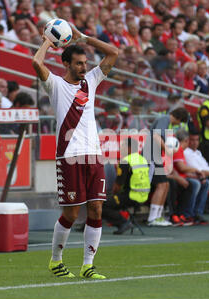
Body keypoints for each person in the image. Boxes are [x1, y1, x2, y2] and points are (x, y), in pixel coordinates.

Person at [32, 24, 118, 279]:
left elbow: (113, 52)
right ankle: (56, 261)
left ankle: (88, 265)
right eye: (79, 63)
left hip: (93, 154)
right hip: (69, 155)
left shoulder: (91, 80)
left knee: (96, 210)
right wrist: (49, 40)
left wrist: (86, 38)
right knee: (71, 213)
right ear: (67, 64)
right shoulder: (56, 85)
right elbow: (36, 63)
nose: (84, 67)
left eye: (85, 63)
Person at [141, 107, 190, 227]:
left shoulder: (165, 121)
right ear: (178, 118)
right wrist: (167, 149)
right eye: (180, 122)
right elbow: (156, 136)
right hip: (150, 157)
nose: (178, 124)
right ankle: (153, 218)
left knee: (165, 184)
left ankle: (157, 216)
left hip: (154, 156)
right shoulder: (165, 119)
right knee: (162, 185)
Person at [102, 138, 150, 235]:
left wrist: (110, 195)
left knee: (102, 203)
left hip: (131, 196)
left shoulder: (125, 161)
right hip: (144, 196)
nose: (121, 149)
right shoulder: (143, 159)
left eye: (122, 147)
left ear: (129, 148)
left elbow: (117, 186)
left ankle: (123, 223)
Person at [171, 129, 209, 225]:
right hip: (174, 178)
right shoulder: (178, 149)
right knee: (195, 183)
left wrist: (195, 174)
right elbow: (181, 168)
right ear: (186, 141)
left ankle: (197, 213)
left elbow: (182, 171)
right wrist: (196, 171)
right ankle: (187, 214)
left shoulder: (180, 150)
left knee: (205, 182)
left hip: (181, 176)